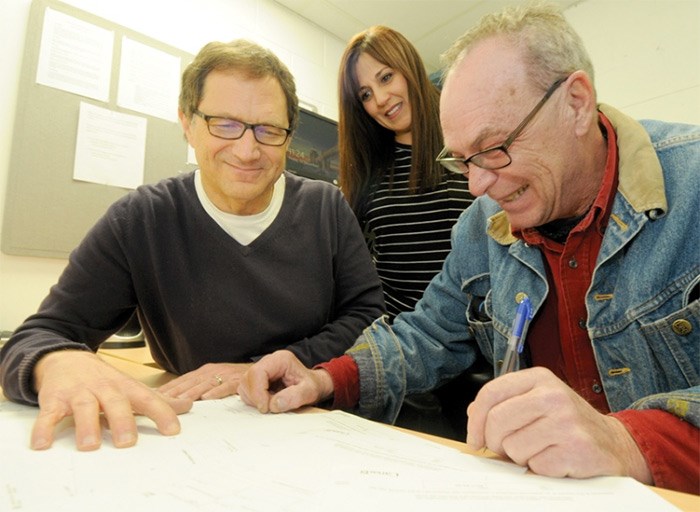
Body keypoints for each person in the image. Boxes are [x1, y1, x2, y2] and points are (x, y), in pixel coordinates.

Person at [239, 3, 700, 495]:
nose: (477, 186)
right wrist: (324, 379)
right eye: (461, 161)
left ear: (577, 103)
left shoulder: (690, 182)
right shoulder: (482, 227)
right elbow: (428, 332)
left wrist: (622, 442)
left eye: (494, 147)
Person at [0, 39, 385, 451]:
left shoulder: (325, 206)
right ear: (187, 123)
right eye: (225, 124)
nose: (247, 149)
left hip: (313, 423)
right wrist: (59, 361)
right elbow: (37, 337)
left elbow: (367, 316)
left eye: (268, 130)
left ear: (289, 138)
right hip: (193, 436)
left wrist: (257, 371)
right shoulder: (140, 218)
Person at [337, 25, 476, 438]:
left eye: (385, 77)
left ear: (410, 69)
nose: (380, 99)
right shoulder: (368, 176)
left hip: (482, 360)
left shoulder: (471, 151)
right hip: (404, 366)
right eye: (364, 94)